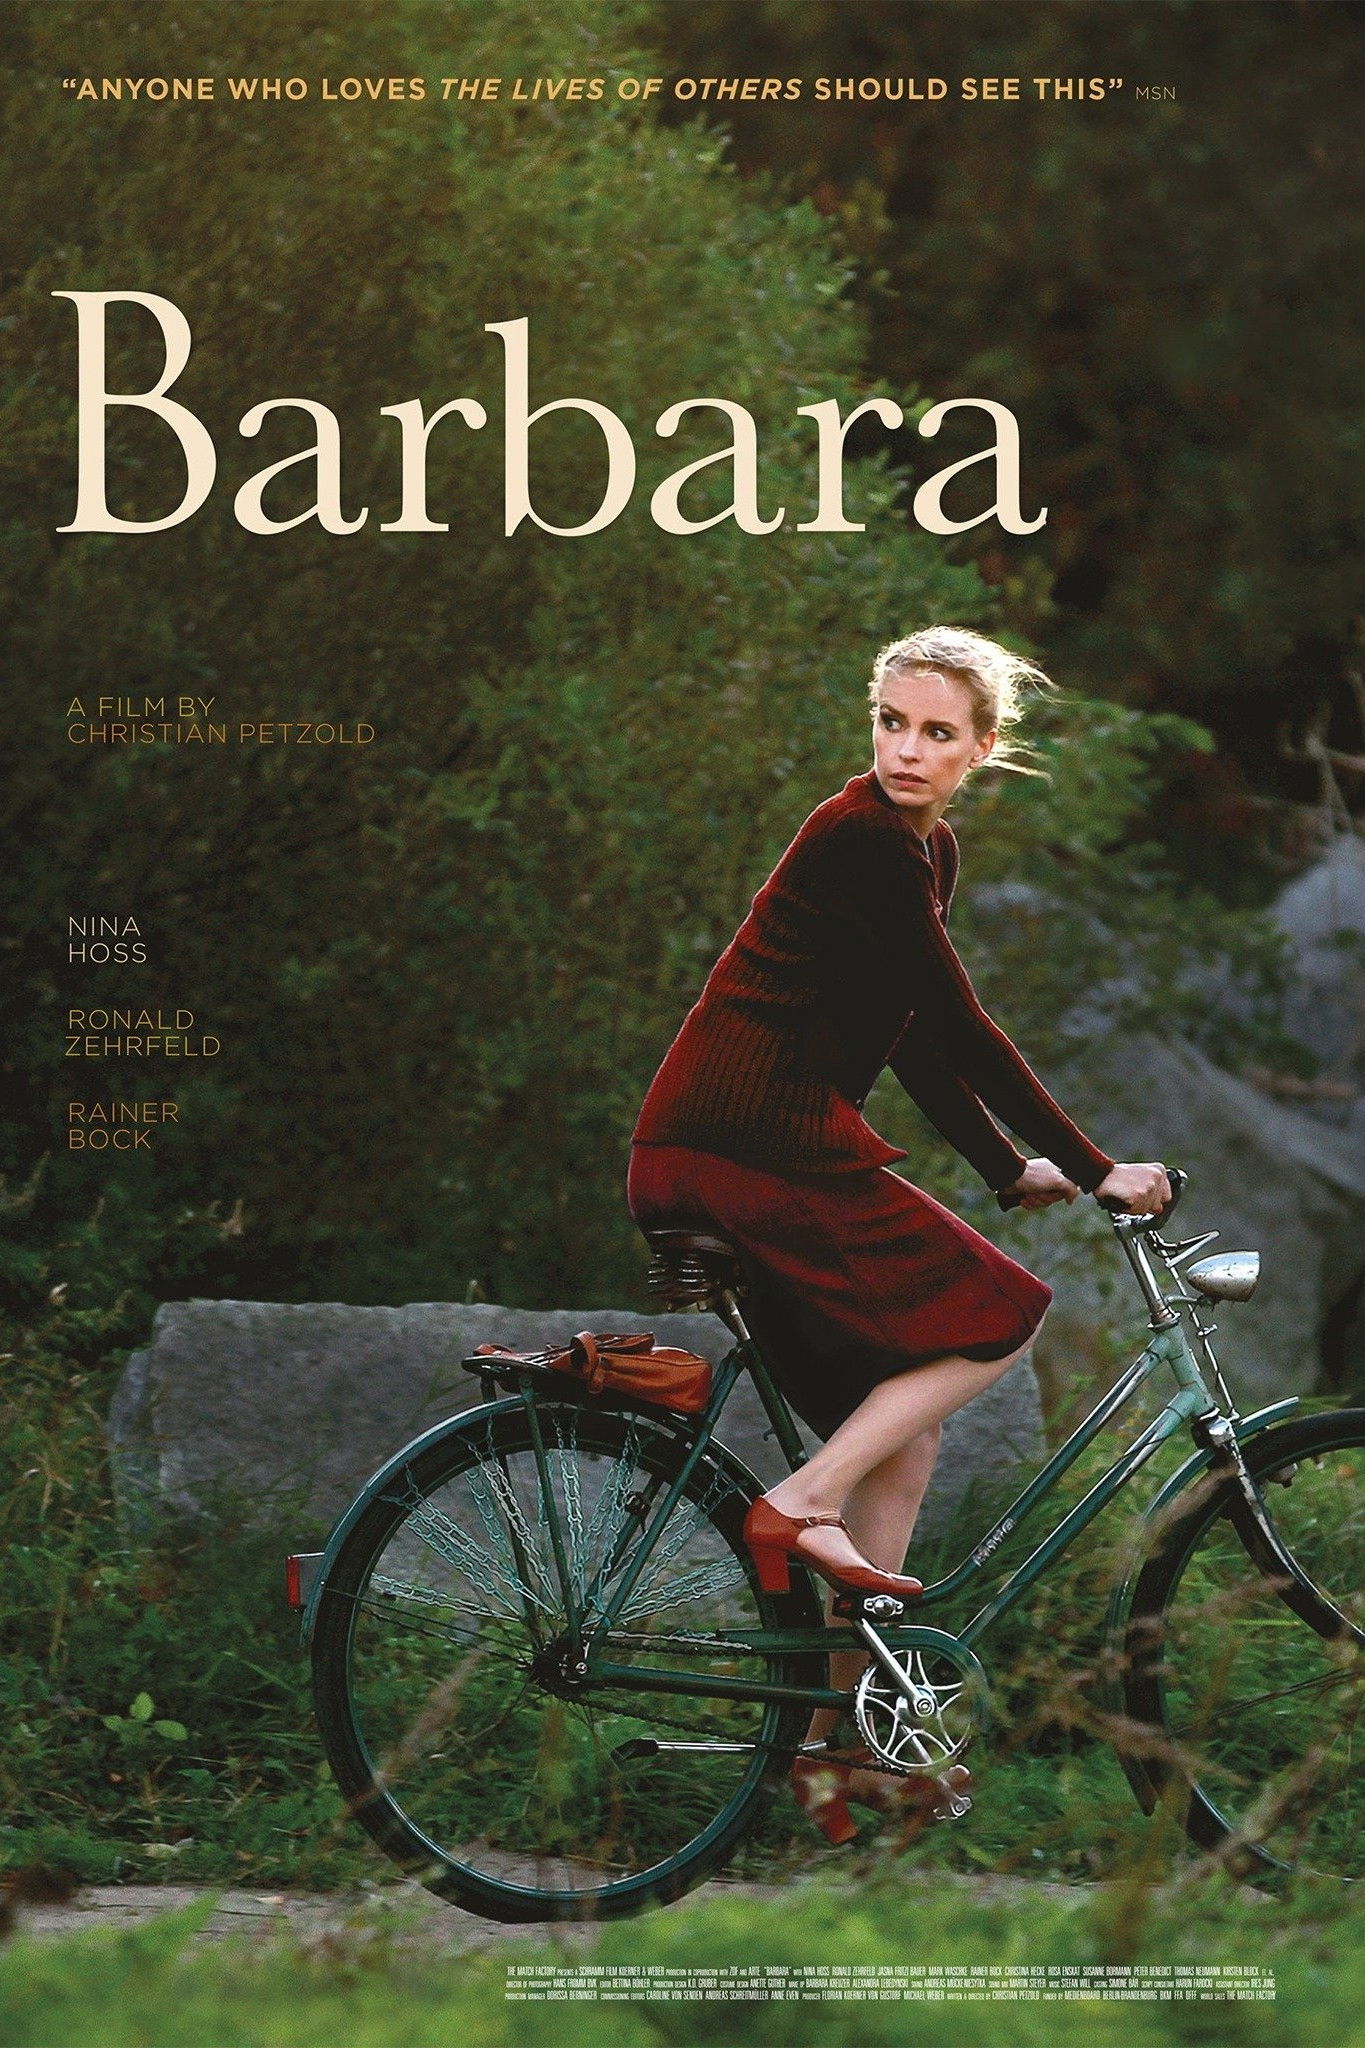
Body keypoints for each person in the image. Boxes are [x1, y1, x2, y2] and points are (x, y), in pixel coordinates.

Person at [628, 625, 1170, 1841]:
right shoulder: (861, 833)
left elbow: (915, 1030)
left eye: (936, 731)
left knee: (905, 1433)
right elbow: (967, 1024)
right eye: (891, 722)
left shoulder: (922, 847)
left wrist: (1008, 1167)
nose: (907, 748)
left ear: (982, 748)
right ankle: (802, 1499)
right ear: (872, 721)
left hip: (731, 1146)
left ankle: (835, 1753)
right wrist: (1101, 1171)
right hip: (747, 1146)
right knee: (1004, 1318)